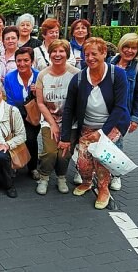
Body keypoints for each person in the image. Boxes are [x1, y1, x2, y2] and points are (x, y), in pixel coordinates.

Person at [59, 37, 130, 210]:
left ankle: (104, 189)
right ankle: (87, 182)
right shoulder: (79, 78)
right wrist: (65, 137)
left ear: (104, 53)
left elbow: (120, 107)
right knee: (83, 162)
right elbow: (68, 108)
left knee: (101, 158)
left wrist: (102, 133)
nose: (90, 58)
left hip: (111, 125)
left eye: (94, 54)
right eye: (86, 54)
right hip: (87, 126)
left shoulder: (117, 74)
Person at [35, 39, 80, 195]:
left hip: (70, 123)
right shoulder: (43, 75)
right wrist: (52, 123)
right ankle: (44, 177)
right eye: (54, 51)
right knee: (50, 152)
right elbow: (40, 102)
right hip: (49, 120)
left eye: (61, 51)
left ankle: (61, 177)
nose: (57, 54)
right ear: (49, 54)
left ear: (67, 54)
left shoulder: (75, 74)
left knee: (64, 154)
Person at [108, 33, 138, 191]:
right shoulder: (110, 62)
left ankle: (116, 175)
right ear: (121, 46)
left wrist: (135, 118)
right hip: (104, 112)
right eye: (127, 47)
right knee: (101, 142)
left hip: (123, 114)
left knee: (116, 144)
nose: (129, 51)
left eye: (134, 48)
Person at [4, 47, 41, 180]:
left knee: (30, 139)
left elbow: (45, 100)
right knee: (13, 137)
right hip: (16, 112)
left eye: (26, 60)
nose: (22, 64)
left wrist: (37, 93)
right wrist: (17, 118)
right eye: (18, 60)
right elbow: (10, 100)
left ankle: (33, 167)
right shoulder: (9, 77)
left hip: (35, 114)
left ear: (32, 61)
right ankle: (14, 165)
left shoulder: (39, 76)